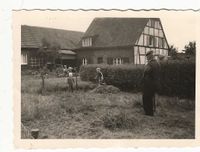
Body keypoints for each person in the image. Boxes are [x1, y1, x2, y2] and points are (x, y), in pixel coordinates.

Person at [141, 50, 160, 116]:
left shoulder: (150, 64)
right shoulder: (157, 63)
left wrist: (143, 80)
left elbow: (146, 72)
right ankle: (152, 111)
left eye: (147, 56)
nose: (146, 58)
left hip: (148, 84)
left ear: (150, 56)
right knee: (152, 98)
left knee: (146, 98)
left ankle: (148, 113)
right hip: (155, 83)